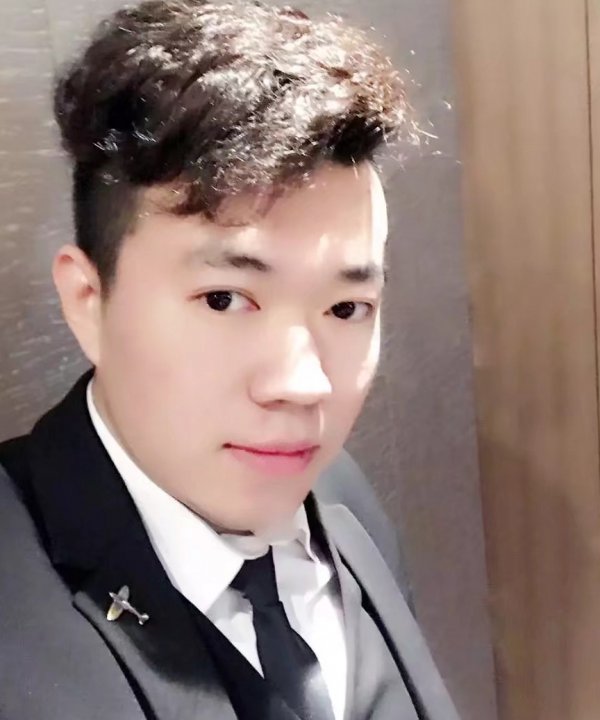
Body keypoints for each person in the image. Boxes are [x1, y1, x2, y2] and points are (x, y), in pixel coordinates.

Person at [0, 1, 460, 719]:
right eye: (224, 299)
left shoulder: (341, 496)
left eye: (346, 308)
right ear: (89, 300)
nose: (303, 385)